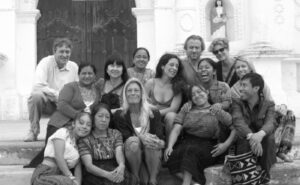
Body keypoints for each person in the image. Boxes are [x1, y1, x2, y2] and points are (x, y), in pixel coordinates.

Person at [25, 63, 101, 168]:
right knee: (62, 147)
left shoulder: (97, 91)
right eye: (84, 73)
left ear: (94, 76)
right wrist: (79, 117)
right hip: (60, 123)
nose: (87, 76)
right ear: (78, 75)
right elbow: (62, 104)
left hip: (82, 126)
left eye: (90, 73)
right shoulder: (70, 87)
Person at [165, 85, 235, 185]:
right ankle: (194, 183)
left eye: (199, 92)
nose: (197, 95)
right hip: (187, 142)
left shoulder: (216, 110)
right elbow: (176, 130)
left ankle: (185, 183)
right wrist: (170, 146)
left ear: (206, 92)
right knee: (170, 156)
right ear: (191, 99)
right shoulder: (186, 109)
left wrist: (225, 145)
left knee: (191, 151)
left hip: (208, 145)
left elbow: (235, 129)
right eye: (193, 95)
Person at [231, 57, 295, 162]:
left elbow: (269, 101)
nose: (240, 69)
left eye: (243, 66)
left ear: (250, 67)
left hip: (264, 113)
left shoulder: (260, 82)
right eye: (237, 67)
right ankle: (272, 149)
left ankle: (282, 151)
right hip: (250, 119)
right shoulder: (234, 89)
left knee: (289, 114)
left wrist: (281, 107)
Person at [25, 38, 79, 142]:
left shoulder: (74, 67)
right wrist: (58, 96)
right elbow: (38, 86)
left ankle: (74, 132)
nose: (64, 55)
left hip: (65, 105)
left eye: (67, 52)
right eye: (61, 51)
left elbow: (77, 89)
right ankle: (33, 131)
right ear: (54, 51)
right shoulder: (45, 62)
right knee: (36, 96)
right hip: (48, 103)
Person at [113, 78, 165, 185]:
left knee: (153, 141)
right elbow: (125, 136)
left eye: (136, 90)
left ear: (142, 93)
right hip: (132, 155)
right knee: (133, 141)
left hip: (151, 155)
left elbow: (160, 136)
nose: (133, 93)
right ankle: (135, 178)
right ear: (125, 94)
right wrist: (142, 137)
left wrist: (160, 143)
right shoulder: (120, 114)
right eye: (129, 90)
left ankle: (153, 180)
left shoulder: (154, 111)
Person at [231, 73, 276, 184]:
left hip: (263, 144)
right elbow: (238, 121)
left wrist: (260, 135)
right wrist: (253, 137)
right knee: (244, 141)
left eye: (244, 85)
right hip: (245, 141)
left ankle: (265, 176)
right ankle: (245, 179)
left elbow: (270, 122)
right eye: (240, 85)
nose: (240, 89)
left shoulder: (268, 104)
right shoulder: (237, 102)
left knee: (269, 139)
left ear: (256, 88)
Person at [78, 103, 137, 185]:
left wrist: (121, 165)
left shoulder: (115, 133)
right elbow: (89, 166)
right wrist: (108, 175)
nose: (104, 120)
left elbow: (119, 152)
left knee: (129, 180)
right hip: (95, 171)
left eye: (107, 117)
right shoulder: (85, 139)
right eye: (100, 116)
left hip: (114, 165)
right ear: (93, 118)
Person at [31, 111, 92, 185]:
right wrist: (70, 177)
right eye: (81, 123)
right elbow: (58, 156)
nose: (84, 126)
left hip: (61, 177)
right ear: (73, 124)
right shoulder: (63, 132)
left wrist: (77, 183)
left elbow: (77, 168)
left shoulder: (79, 146)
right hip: (45, 173)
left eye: (88, 125)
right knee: (67, 182)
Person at [145, 53, 184, 139]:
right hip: (150, 118)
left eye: (176, 66)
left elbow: (173, 109)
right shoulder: (151, 83)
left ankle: (169, 148)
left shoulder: (177, 86)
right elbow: (143, 103)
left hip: (166, 119)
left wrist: (155, 113)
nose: (174, 68)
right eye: (171, 65)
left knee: (171, 115)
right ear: (162, 66)